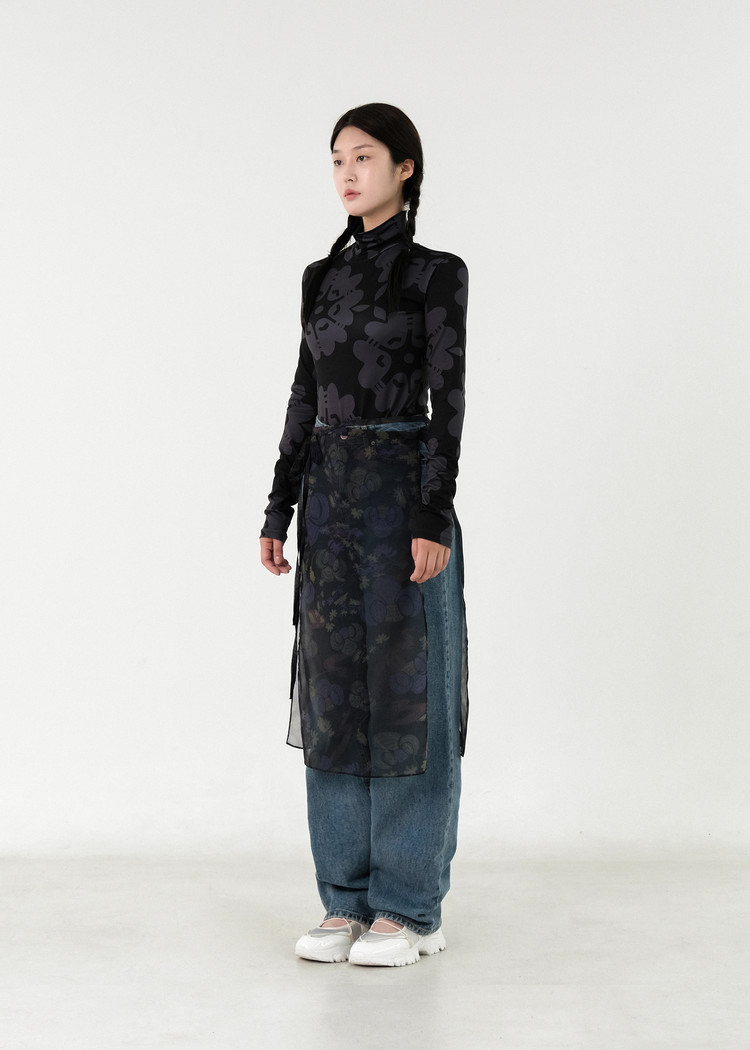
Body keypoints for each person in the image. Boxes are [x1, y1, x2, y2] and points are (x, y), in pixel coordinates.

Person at [260, 102, 469, 968]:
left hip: (401, 497)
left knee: (412, 696)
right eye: (338, 160)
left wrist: (432, 514)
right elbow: (304, 392)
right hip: (329, 503)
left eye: (365, 158)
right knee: (335, 697)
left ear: (405, 167)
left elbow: (448, 398)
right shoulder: (322, 276)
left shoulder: (435, 274)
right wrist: (279, 507)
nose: (348, 174)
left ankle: (411, 908)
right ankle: (344, 900)